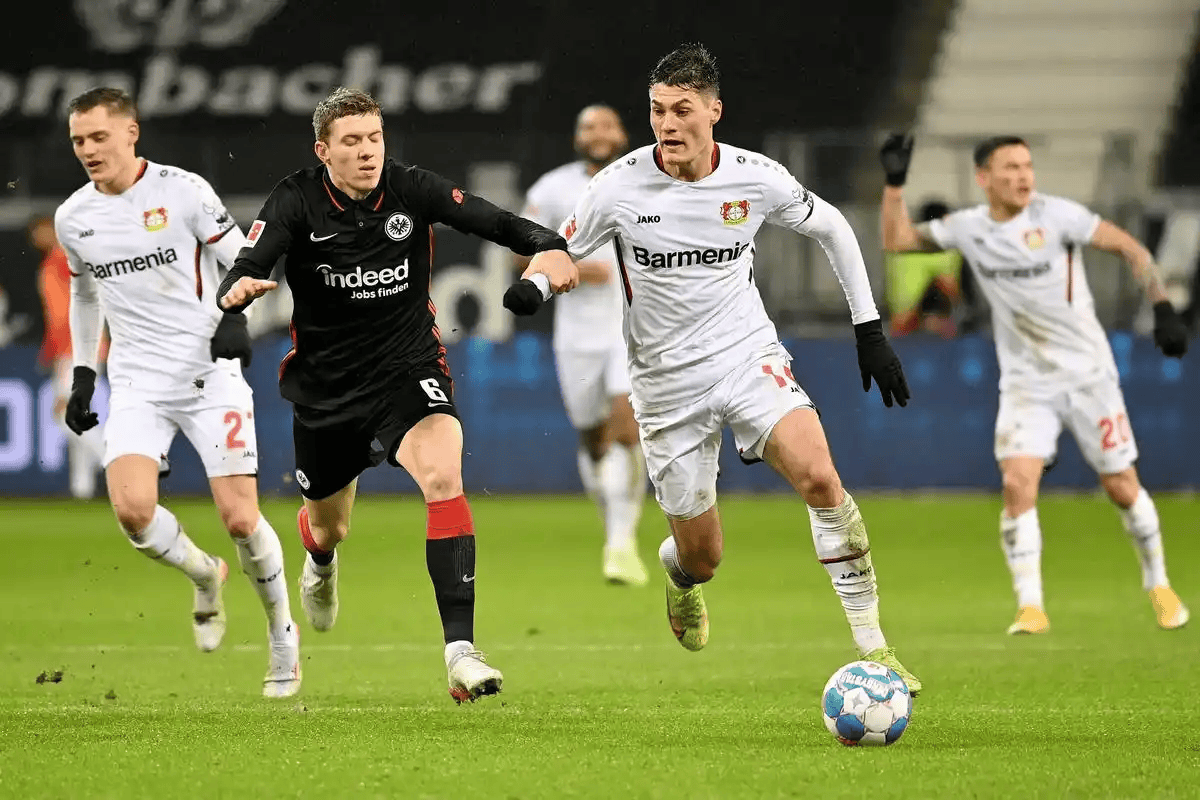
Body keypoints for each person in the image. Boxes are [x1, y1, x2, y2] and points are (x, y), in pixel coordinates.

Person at [505, 44, 922, 694]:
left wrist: (869, 330)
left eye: (682, 110)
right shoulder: (617, 185)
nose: (667, 124)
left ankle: (875, 648)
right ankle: (679, 578)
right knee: (703, 557)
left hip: (747, 357)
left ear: (713, 111)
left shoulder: (754, 177)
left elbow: (835, 227)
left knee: (820, 477)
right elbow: (559, 249)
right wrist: (536, 284)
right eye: (657, 110)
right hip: (665, 386)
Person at [216, 87, 578, 704]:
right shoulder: (296, 198)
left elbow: (491, 219)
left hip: (408, 369)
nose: (367, 152)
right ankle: (320, 560)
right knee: (330, 528)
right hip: (328, 389)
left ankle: (460, 650)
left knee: (443, 474)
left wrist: (548, 244)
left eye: (374, 138)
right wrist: (239, 292)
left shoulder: (410, 188)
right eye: (351, 142)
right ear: (323, 151)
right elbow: (254, 259)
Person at [879, 133, 1191, 634]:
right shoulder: (968, 227)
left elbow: (1131, 248)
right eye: (1011, 167)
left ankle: (1159, 584)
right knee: (1016, 483)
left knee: (1121, 486)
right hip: (1027, 383)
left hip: (1089, 376)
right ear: (984, 178)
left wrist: (1161, 305)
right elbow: (897, 241)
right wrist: (895, 185)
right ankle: (1031, 607)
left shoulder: (1058, 216)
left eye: (1027, 166)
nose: (1024, 176)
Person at [56, 87, 300, 697]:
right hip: (136, 382)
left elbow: (248, 259)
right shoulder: (73, 217)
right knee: (133, 513)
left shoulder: (183, 191)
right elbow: (84, 292)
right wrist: (85, 372)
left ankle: (281, 634)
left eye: (99, 136)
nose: (88, 150)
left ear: (131, 132)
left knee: (240, 519)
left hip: (208, 374)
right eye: (79, 141)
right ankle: (205, 574)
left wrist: (235, 317)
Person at [517, 105, 648, 586]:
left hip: (633, 328)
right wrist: (564, 263)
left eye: (606, 125)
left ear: (622, 133)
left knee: (626, 427)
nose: (598, 133)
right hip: (575, 336)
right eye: (588, 126)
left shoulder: (647, 181)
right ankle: (614, 524)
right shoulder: (552, 189)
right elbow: (518, 253)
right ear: (577, 137)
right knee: (594, 441)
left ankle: (621, 544)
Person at [30, 214, 106, 499]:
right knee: (75, 415)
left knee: (65, 415)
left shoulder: (66, 257)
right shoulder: (52, 261)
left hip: (79, 348)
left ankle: (114, 462)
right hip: (71, 349)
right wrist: (50, 350)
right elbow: (56, 313)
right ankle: (82, 488)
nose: (36, 237)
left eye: (40, 230)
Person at [885, 199, 962, 338]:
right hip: (922, 323)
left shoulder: (897, 253)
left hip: (900, 324)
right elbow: (953, 291)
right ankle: (935, 320)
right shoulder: (949, 255)